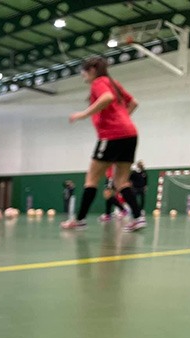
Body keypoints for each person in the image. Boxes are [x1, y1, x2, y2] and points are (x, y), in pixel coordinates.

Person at [63, 56, 145, 232]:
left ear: (92, 70)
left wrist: (83, 114)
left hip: (111, 136)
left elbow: (107, 97)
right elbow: (134, 103)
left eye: (84, 74)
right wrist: (122, 120)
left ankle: (80, 219)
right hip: (130, 134)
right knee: (122, 181)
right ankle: (138, 218)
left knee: (92, 179)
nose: (84, 77)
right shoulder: (113, 82)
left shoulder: (99, 82)